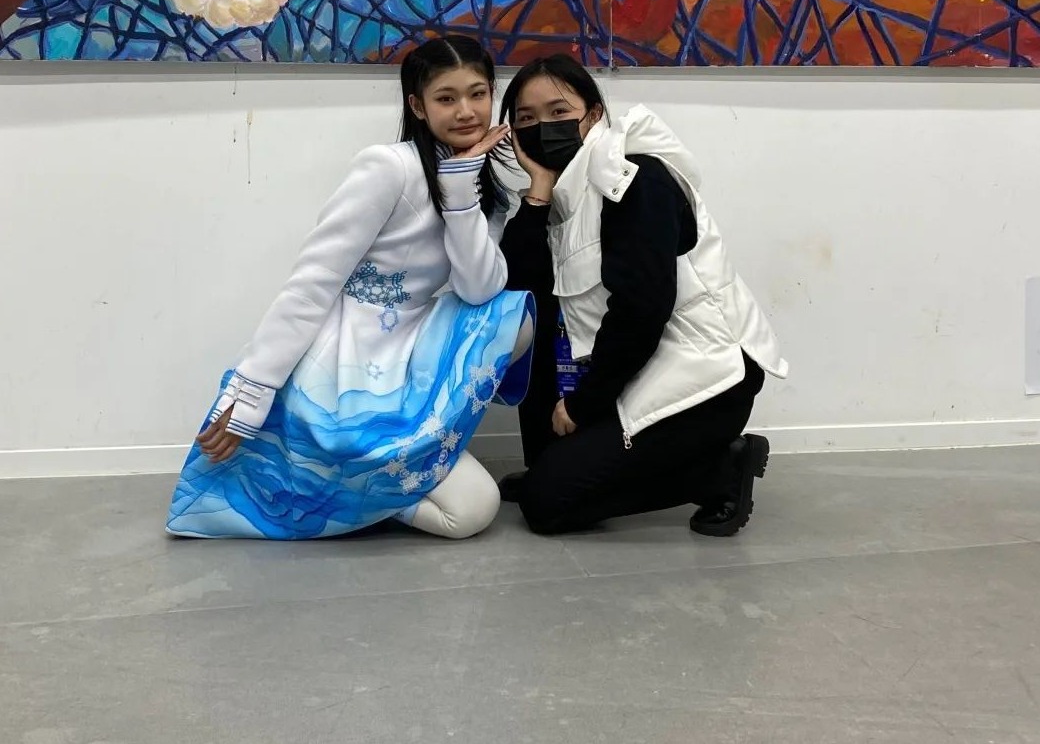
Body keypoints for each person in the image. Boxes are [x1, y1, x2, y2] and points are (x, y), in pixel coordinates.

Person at [167, 35, 533, 541]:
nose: (466, 111)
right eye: (446, 98)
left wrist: (460, 190)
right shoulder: (389, 167)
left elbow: (479, 290)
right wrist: (249, 392)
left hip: (411, 356)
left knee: (473, 505)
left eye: (478, 94)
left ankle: (357, 481)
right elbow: (313, 282)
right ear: (418, 106)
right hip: (344, 364)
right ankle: (333, 479)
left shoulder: (483, 189)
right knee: (470, 510)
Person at [498, 55, 787, 537]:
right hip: (642, 368)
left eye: (558, 111)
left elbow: (642, 308)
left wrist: (584, 406)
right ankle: (564, 464)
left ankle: (720, 469)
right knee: (541, 318)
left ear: (593, 114)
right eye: (526, 118)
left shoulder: (635, 178)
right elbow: (519, 285)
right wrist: (539, 189)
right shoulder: (567, 195)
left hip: (705, 378)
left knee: (547, 505)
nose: (542, 128)